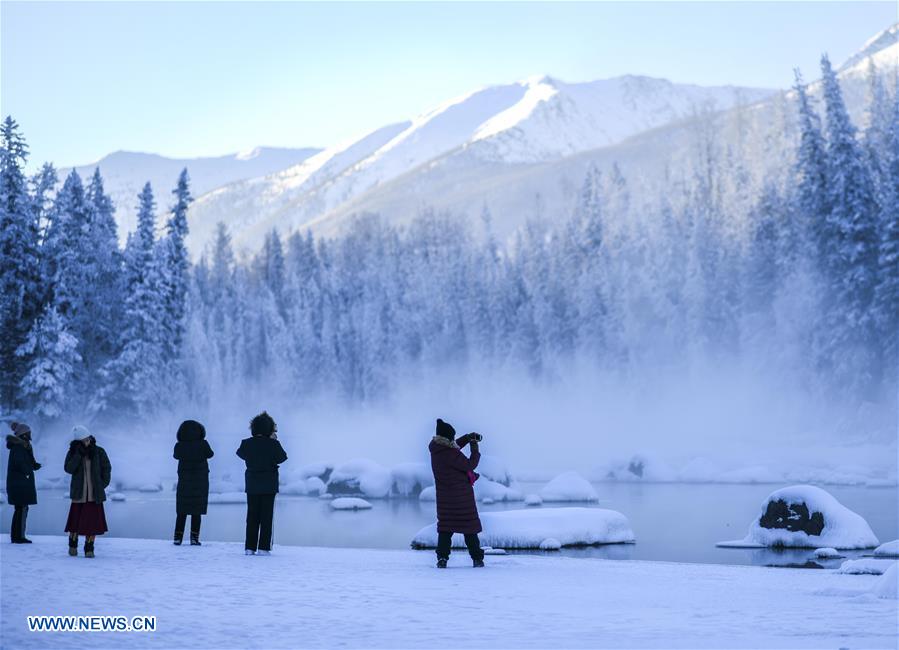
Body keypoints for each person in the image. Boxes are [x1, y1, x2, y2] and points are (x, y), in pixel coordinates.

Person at [428, 418, 485, 568]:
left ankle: (442, 558)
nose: (454, 439)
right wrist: (474, 446)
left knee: (446, 528)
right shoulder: (451, 454)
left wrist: (466, 438)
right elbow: (470, 464)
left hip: (444, 499)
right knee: (470, 528)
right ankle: (477, 558)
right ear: (447, 437)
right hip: (461, 498)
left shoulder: (437, 449)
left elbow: (453, 447)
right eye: (452, 436)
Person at [236, 412, 287, 555]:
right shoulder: (273, 444)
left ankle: (249, 548)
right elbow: (282, 458)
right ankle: (264, 548)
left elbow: (240, 454)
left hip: (252, 484)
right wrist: (274, 441)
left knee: (252, 516)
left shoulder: (246, 444)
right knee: (267, 517)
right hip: (269, 485)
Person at [64, 426, 111, 558]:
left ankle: (89, 549)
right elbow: (68, 469)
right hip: (79, 495)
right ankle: (72, 546)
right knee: (75, 523)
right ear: (77, 441)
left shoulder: (99, 451)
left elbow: (107, 468)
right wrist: (78, 455)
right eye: (83, 440)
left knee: (92, 525)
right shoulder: (73, 452)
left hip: (94, 495)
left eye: (87, 439)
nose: (86, 442)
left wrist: (102, 484)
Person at [173, 419, 214, 546]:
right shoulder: (203, 444)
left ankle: (177, 538)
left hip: (184, 482)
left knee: (182, 511)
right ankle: (194, 538)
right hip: (200, 482)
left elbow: (176, 456)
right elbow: (210, 454)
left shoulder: (179, 445)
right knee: (196, 511)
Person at [6, 422, 41, 543]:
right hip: (19, 483)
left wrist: (34, 465)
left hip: (19, 483)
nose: (30, 434)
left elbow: (25, 461)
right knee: (21, 509)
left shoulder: (23, 446)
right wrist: (28, 470)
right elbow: (20, 463)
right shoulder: (19, 447)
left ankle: (16, 536)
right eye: (28, 433)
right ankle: (19, 537)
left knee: (20, 509)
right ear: (24, 434)